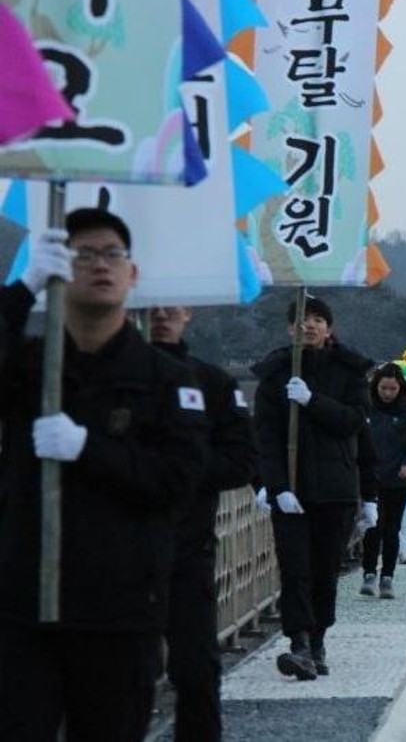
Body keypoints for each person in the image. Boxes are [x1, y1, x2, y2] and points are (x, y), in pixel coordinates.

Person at [0, 210, 209, 741]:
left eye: (112, 254)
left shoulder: (167, 379)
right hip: (26, 606)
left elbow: (177, 480)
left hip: (120, 607)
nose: (100, 266)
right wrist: (20, 292)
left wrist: (88, 449)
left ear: (132, 274)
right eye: (82, 254)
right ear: (58, 270)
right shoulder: (28, 366)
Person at [151, 305, 259, 741]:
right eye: (151, 302)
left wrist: (178, 468)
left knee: (195, 670)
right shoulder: (99, 375)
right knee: (114, 679)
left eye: (171, 303)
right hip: (111, 553)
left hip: (187, 549)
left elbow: (241, 460)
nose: (160, 312)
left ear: (188, 311)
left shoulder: (211, 382)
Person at [251, 295, 371, 681]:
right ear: (289, 328)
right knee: (295, 569)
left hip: (335, 487)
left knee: (324, 569)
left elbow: (352, 421)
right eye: (301, 320)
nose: (309, 326)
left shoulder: (349, 370)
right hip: (293, 490)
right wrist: (273, 486)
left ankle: (318, 638)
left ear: (329, 327)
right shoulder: (274, 373)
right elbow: (265, 436)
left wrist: (311, 401)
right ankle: (298, 642)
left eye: (317, 319)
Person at [361, 362, 406, 600]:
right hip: (371, 478)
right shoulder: (366, 409)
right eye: (383, 388)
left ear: (400, 388)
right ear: (375, 387)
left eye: (392, 389)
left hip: (399, 478)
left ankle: (387, 576)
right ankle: (369, 572)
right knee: (372, 528)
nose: (387, 393)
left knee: (392, 530)